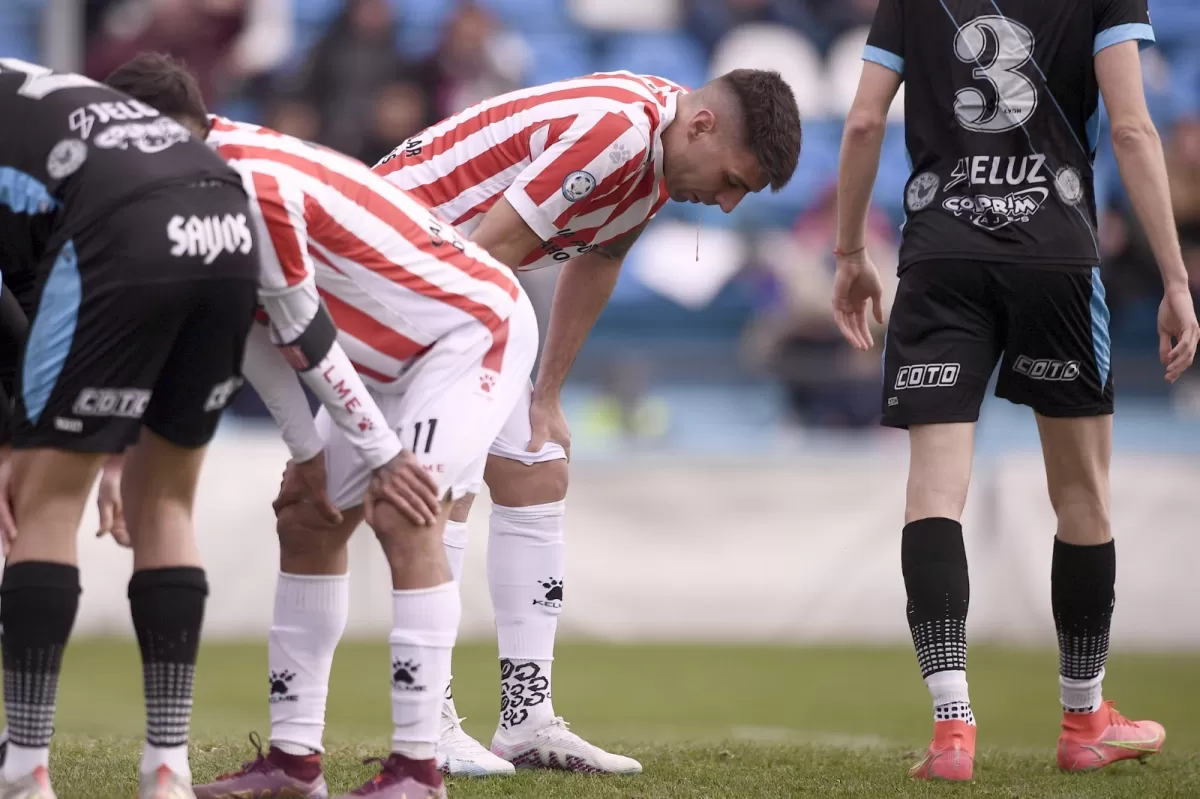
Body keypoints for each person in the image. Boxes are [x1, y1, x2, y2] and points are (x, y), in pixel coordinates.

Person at [104, 52, 540, 799]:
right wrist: (307, 453)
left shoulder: (247, 185)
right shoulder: (191, 187)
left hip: (469, 332)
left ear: (174, 132)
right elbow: (249, 328)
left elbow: (299, 323)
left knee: (407, 511)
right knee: (308, 515)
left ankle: (417, 769)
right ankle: (295, 763)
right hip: (385, 358)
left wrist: (376, 453)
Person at [375, 68, 799, 776]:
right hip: (396, 267)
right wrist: (466, 397)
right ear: (702, 127)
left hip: (452, 279)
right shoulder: (616, 134)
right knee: (449, 476)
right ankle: (425, 723)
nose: (725, 206)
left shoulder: (657, 149)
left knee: (537, 467)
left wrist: (546, 394)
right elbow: (493, 249)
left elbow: (598, 260)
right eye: (732, 180)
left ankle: (526, 719)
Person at [831, 0, 1199, 782]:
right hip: (1055, 258)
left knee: (932, 495)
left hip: (938, 259)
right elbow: (1133, 128)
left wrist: (847, 250)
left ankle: (952, 729)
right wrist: (1175, 276)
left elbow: (864, 122)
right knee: (1084, 500)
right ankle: (1084, 716)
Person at [0, 57, 262, 799]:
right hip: (223, 211)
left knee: (47, 499)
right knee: (167, 501)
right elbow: (28, 270)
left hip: (120, 225)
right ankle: (167, 769)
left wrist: (15, 439)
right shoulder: (31, 84)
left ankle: (23, 770)